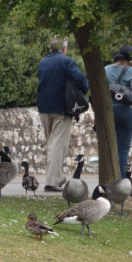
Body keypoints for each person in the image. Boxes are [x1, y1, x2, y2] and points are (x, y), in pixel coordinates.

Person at [36, 37, 89, 192]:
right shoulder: (66, 62)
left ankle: (57, 178)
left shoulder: (43, 62)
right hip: (61, 108)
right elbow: (80, 79)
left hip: (44, 107)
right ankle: (52, 182)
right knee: (57, 146)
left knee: (52, 144)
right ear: (64, 48)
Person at [105, 44, 132, 179]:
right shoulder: (131, 72)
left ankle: (107, 177)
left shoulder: (105, 70)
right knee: (122, 150)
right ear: (130, 59)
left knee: (108, 147)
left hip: (109, 112)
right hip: (126, 113)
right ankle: (119, 180)